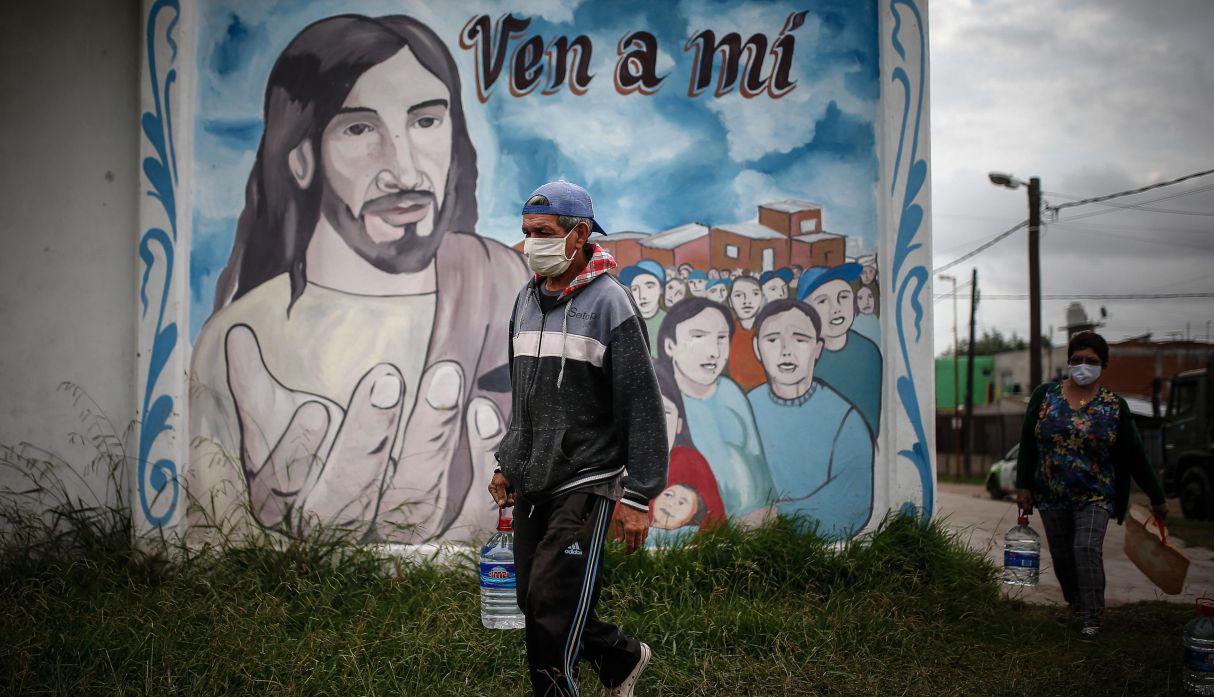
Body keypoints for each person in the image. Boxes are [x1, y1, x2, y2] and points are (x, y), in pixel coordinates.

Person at [188, 14, 526, 545]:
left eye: (426, 121)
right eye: (359, 128)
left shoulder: (505, 287)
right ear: (301, 157)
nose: (405, 171)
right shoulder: (240, 339)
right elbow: (213, 544)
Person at [490, 181, 666, 696]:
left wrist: (638, 495)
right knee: (532, 597)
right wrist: (508, 462)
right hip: (534, 477)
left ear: (580, 234)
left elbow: (642, 405)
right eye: (525, 234)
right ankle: (620, 658)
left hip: (587, 479)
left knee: (550, 605)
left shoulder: (611, 303)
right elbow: (525, 397)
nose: (530, 245)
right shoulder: (525, 301)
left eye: (542, 233)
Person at [1015, 331, 1168, 641]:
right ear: (1068, 362)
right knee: (1062, 556)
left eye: (1091, 361)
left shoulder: (1114, 407)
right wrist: (1023, 486)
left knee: (1085, 548)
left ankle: (1092, 617)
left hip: (1095, 494)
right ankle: (1076, 604)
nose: (1083, 366)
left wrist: (1157, 496)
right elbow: (1028, 443)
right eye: (1076, 360)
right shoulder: (1045, 396)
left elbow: (1135, 454)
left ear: (1104, 365)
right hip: (1051, 492)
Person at [746, 299, 873, 538]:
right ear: (757, 348)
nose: (786, 350)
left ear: (817, 349)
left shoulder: (846, 419)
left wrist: (776, 515)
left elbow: (854, 503)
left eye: (800, 339)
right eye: (772, 339)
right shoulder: (744, 408)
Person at [657, 297, 774, 523]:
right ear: (670, 345)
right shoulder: (664, 402)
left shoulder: (731, 393)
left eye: (722, 339)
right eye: (698, 336)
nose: (714, 352)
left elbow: (756, 460)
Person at [648, 362, 726, 547]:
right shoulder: (611, 462)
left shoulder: (692, 463)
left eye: (665, 412)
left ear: (679, 424)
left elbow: (716, 533)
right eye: (645, 410)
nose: (655, 422)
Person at [798, 264, 882, 434]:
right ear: (804, 310)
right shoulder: (798, 357)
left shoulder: (868, 352)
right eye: (822, 301)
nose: (836, 308)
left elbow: (872, 423)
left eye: (843, 297)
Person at [726, 276, 766, 391]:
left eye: (754, 294)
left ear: (762, 299)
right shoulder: (726, 332)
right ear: (730, 302)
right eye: (738, 295)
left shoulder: (770, 330)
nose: (746, 300)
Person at [619, 260, 666, 357]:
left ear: (661, 289)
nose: (642, 296)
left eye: (649, 286)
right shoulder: (624, 323)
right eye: (635, 288)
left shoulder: (670, 322)